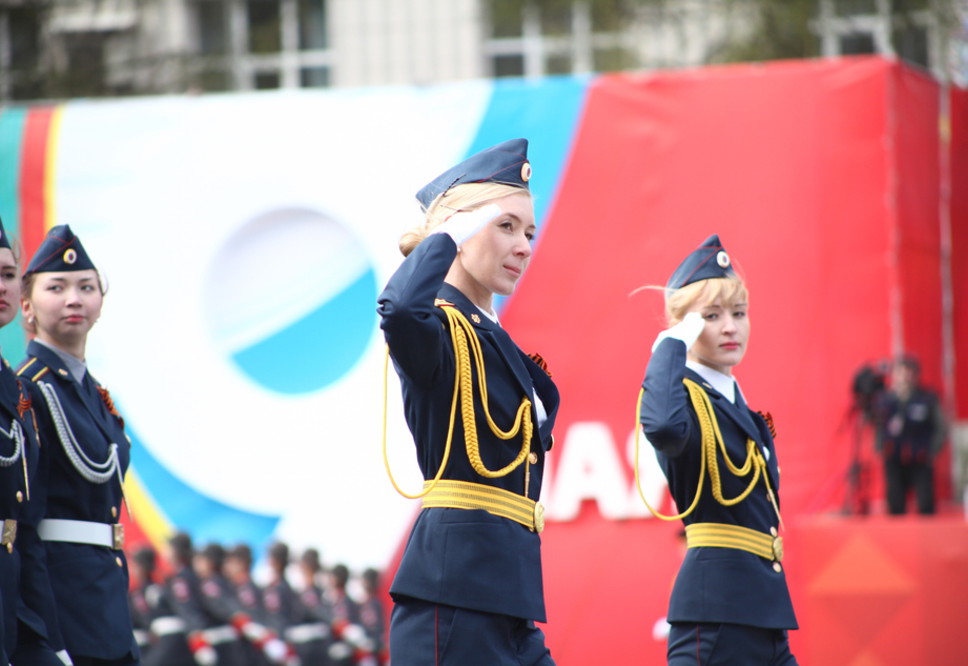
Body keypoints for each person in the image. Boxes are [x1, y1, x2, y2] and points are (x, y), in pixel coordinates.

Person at [377, 138, 560, 665]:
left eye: (528, 231)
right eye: (505, 226)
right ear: (459, 228)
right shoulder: (438, 328)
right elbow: (400, 310)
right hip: (451, 602)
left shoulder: (492, 340)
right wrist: (449, 232)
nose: (524, 246)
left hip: (510, 601)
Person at [637, 234, 798, 664]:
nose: (730, 327)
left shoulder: (734, 403)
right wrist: (671, 345)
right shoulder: (683, 396)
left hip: (764, 614)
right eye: (712, 315)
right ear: (685, 327)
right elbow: (665, 427)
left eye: (739, 313)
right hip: (714, 618)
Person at [16, 224, 140, 665]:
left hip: (107, 610)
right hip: (62, 612)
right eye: (57, 287)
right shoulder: (26, 391)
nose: (74, 299)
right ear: (26, 306)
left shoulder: (96, 395)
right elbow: (24, 527)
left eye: (86, 287)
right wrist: (46, 638)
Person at [0, 216, 48, 665]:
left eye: (8, 275)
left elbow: (25, 524)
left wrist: (48, 638)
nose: (2, 286)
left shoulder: (14, 388)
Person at [874, 355, 945, 515]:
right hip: (894, 458)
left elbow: (940, 427)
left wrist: (933, 450)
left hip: (920, 457)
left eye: (908, 373)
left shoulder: (927, 398)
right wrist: (879, 448)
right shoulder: (885, 399)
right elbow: (879, 427)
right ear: (894, 375)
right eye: (900, 373)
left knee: (926, 504)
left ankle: (928, 537)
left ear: (915, 375)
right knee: (895, 503)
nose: (904, 378)